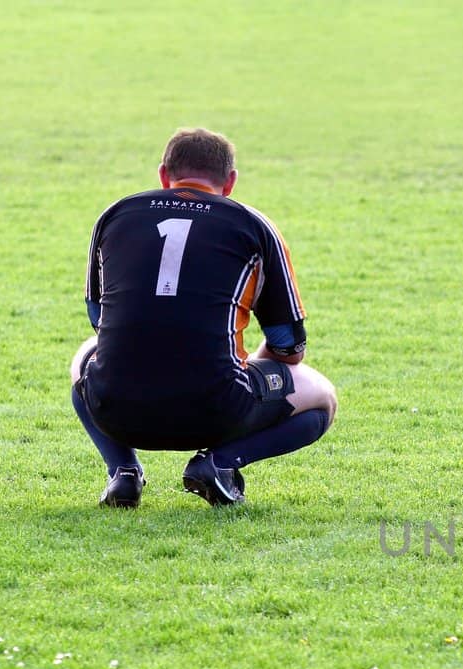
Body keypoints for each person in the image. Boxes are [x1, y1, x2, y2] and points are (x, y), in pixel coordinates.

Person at [72, 128, 336, 507]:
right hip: (217, 410)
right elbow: (289, 345)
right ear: (230, 182)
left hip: (117, 410)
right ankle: (220, 464)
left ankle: (123, 473)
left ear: (164, 176)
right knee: (322, 396)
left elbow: (100, 321)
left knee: (86, 353)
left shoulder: (115, 215)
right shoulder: (253, 226)